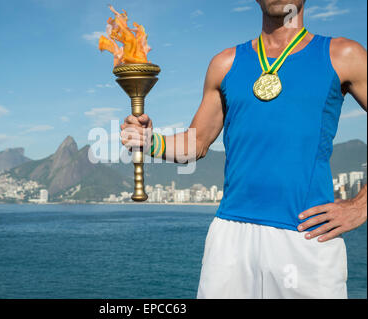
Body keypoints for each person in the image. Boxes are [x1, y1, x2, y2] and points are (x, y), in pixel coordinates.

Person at [120, 0, 367, 298]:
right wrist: (150, 141)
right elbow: (196, 143)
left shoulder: (343, 55)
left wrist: (361, 205)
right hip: (230, 236)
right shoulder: (225, 63)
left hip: (307, 234)